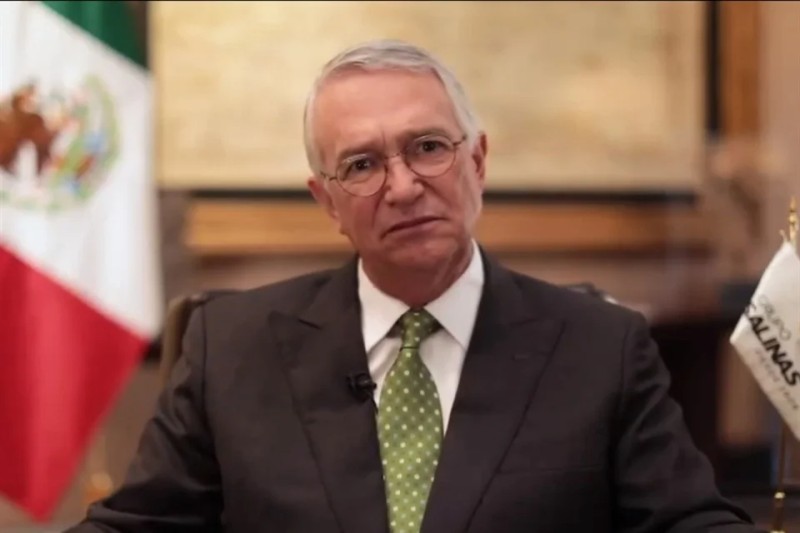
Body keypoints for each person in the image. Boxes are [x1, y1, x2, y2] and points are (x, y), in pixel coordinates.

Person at [65, 39, 757, 532]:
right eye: (362, 165)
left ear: (477, 162)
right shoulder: (232, 349)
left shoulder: (601, 348)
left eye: (428, 148)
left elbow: (690, 522)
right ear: (328, 201)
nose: (402, 187)